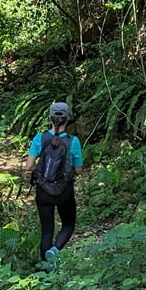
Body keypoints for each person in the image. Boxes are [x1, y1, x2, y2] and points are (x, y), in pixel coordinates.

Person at [24, 102, 83, 262]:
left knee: (46, 230)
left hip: (43, 190)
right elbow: (78, 170)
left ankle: (45, 271)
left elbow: (29, 166)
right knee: (68, 224)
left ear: (50, 118)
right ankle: (56, 248)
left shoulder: (40, 138)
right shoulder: (73, 141)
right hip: (64, 191)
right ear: (67, 119)